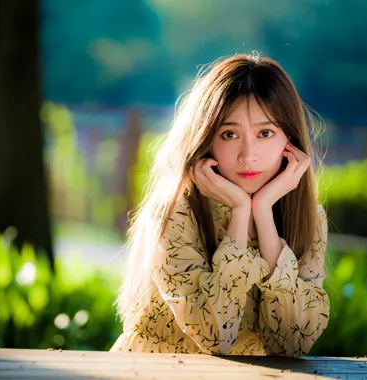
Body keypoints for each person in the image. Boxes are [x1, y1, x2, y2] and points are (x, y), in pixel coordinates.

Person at [110, 53, 329, 357]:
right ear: (206, 140)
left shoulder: (309, 218)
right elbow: (214, 337)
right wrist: (241, 214)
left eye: (265, 133)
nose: (248, 154)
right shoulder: (175, 210)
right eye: (229, 134)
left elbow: (292, 344)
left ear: (288, 142)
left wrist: (263, 213)